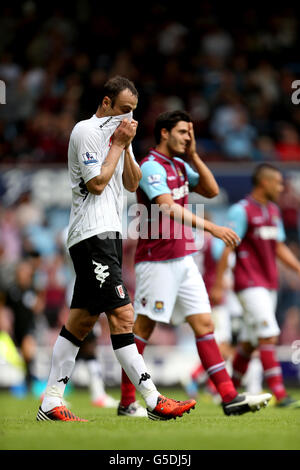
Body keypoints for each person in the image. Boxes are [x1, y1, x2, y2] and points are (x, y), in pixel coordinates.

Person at [36, 76, 197, 422]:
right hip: (90, 233)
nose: (129, 118)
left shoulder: (121, 135)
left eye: (134, 112)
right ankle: (152, 400)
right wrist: (116, 144)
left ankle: (50, 401)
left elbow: (131, 182)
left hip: (109, 233)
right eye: (124, 110)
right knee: (124, 315)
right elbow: (96, 184)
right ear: (106, 103)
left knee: (80, 322)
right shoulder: (86, 131)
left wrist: (124, 145)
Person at [119, 110, 271, 417]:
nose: (188, 137)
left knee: (205, 324)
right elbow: (166, 207)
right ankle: (126, 402)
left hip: (184, 260)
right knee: (144, 328)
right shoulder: (151, 166)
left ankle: (229, 397)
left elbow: (211, 190)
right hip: (157, 261)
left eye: (191, 132)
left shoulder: (179, 165)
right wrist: (212, 228)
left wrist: (195, 155)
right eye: (183, 132)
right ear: (164, 133)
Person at [211, 163, 300, 408]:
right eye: (278, 183)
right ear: (265, 183)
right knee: (269, 334)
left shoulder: (272, 210)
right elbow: (228, 246)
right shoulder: (242, 211)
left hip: (269, 283)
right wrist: (219, 284)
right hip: (249, 283)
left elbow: (279, 246)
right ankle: (281, 396)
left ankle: (227, 394)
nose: (282, 187)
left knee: (250, 343)